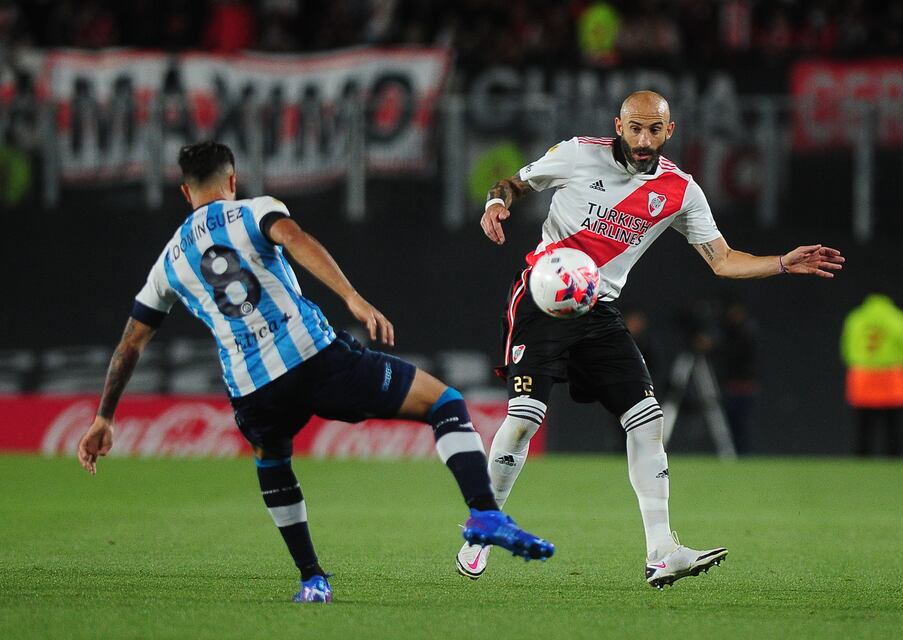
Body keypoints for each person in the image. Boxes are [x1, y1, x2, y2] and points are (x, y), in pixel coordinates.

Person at [76, 141, 554, 604]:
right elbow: (296, 239)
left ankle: (312, 580)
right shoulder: (253, 210)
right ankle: (485, 514)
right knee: (444, 403)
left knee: (273, 461)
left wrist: (104, 417)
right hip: (313, 357)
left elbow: (130, 344)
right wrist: (352, 297)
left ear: (185, 192)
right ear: (233, 180)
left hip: (251, 388)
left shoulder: (168, 262)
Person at [458, 91, 845, 589]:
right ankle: (482, 527)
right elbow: (513, 182)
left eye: (653, 130)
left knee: (647, 420)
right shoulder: (578, 153)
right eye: (634, 128)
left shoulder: (680, 191)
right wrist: (495, 202)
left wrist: (781, 263)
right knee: (524, 419)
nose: (643, 140)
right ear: (618, 124)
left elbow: (722, 260)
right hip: (543, 297)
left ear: (670, 131)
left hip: (599, 310)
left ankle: (662, 550)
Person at [840, 293, 903, 456]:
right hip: (892, 375)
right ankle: (895, 466)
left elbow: (846, 347)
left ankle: (860, 465)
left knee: (863, 427)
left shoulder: (856, 318)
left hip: (863, 375)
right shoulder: (897, 317)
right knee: (893, 427)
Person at [718, 299, 760, 454]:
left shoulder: (745, 332)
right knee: (732, 424)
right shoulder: (734, 331)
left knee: (740, 425)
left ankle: (741, 454)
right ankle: (736, 454)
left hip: (743, 386)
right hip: (733, 386)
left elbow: (734, 355)